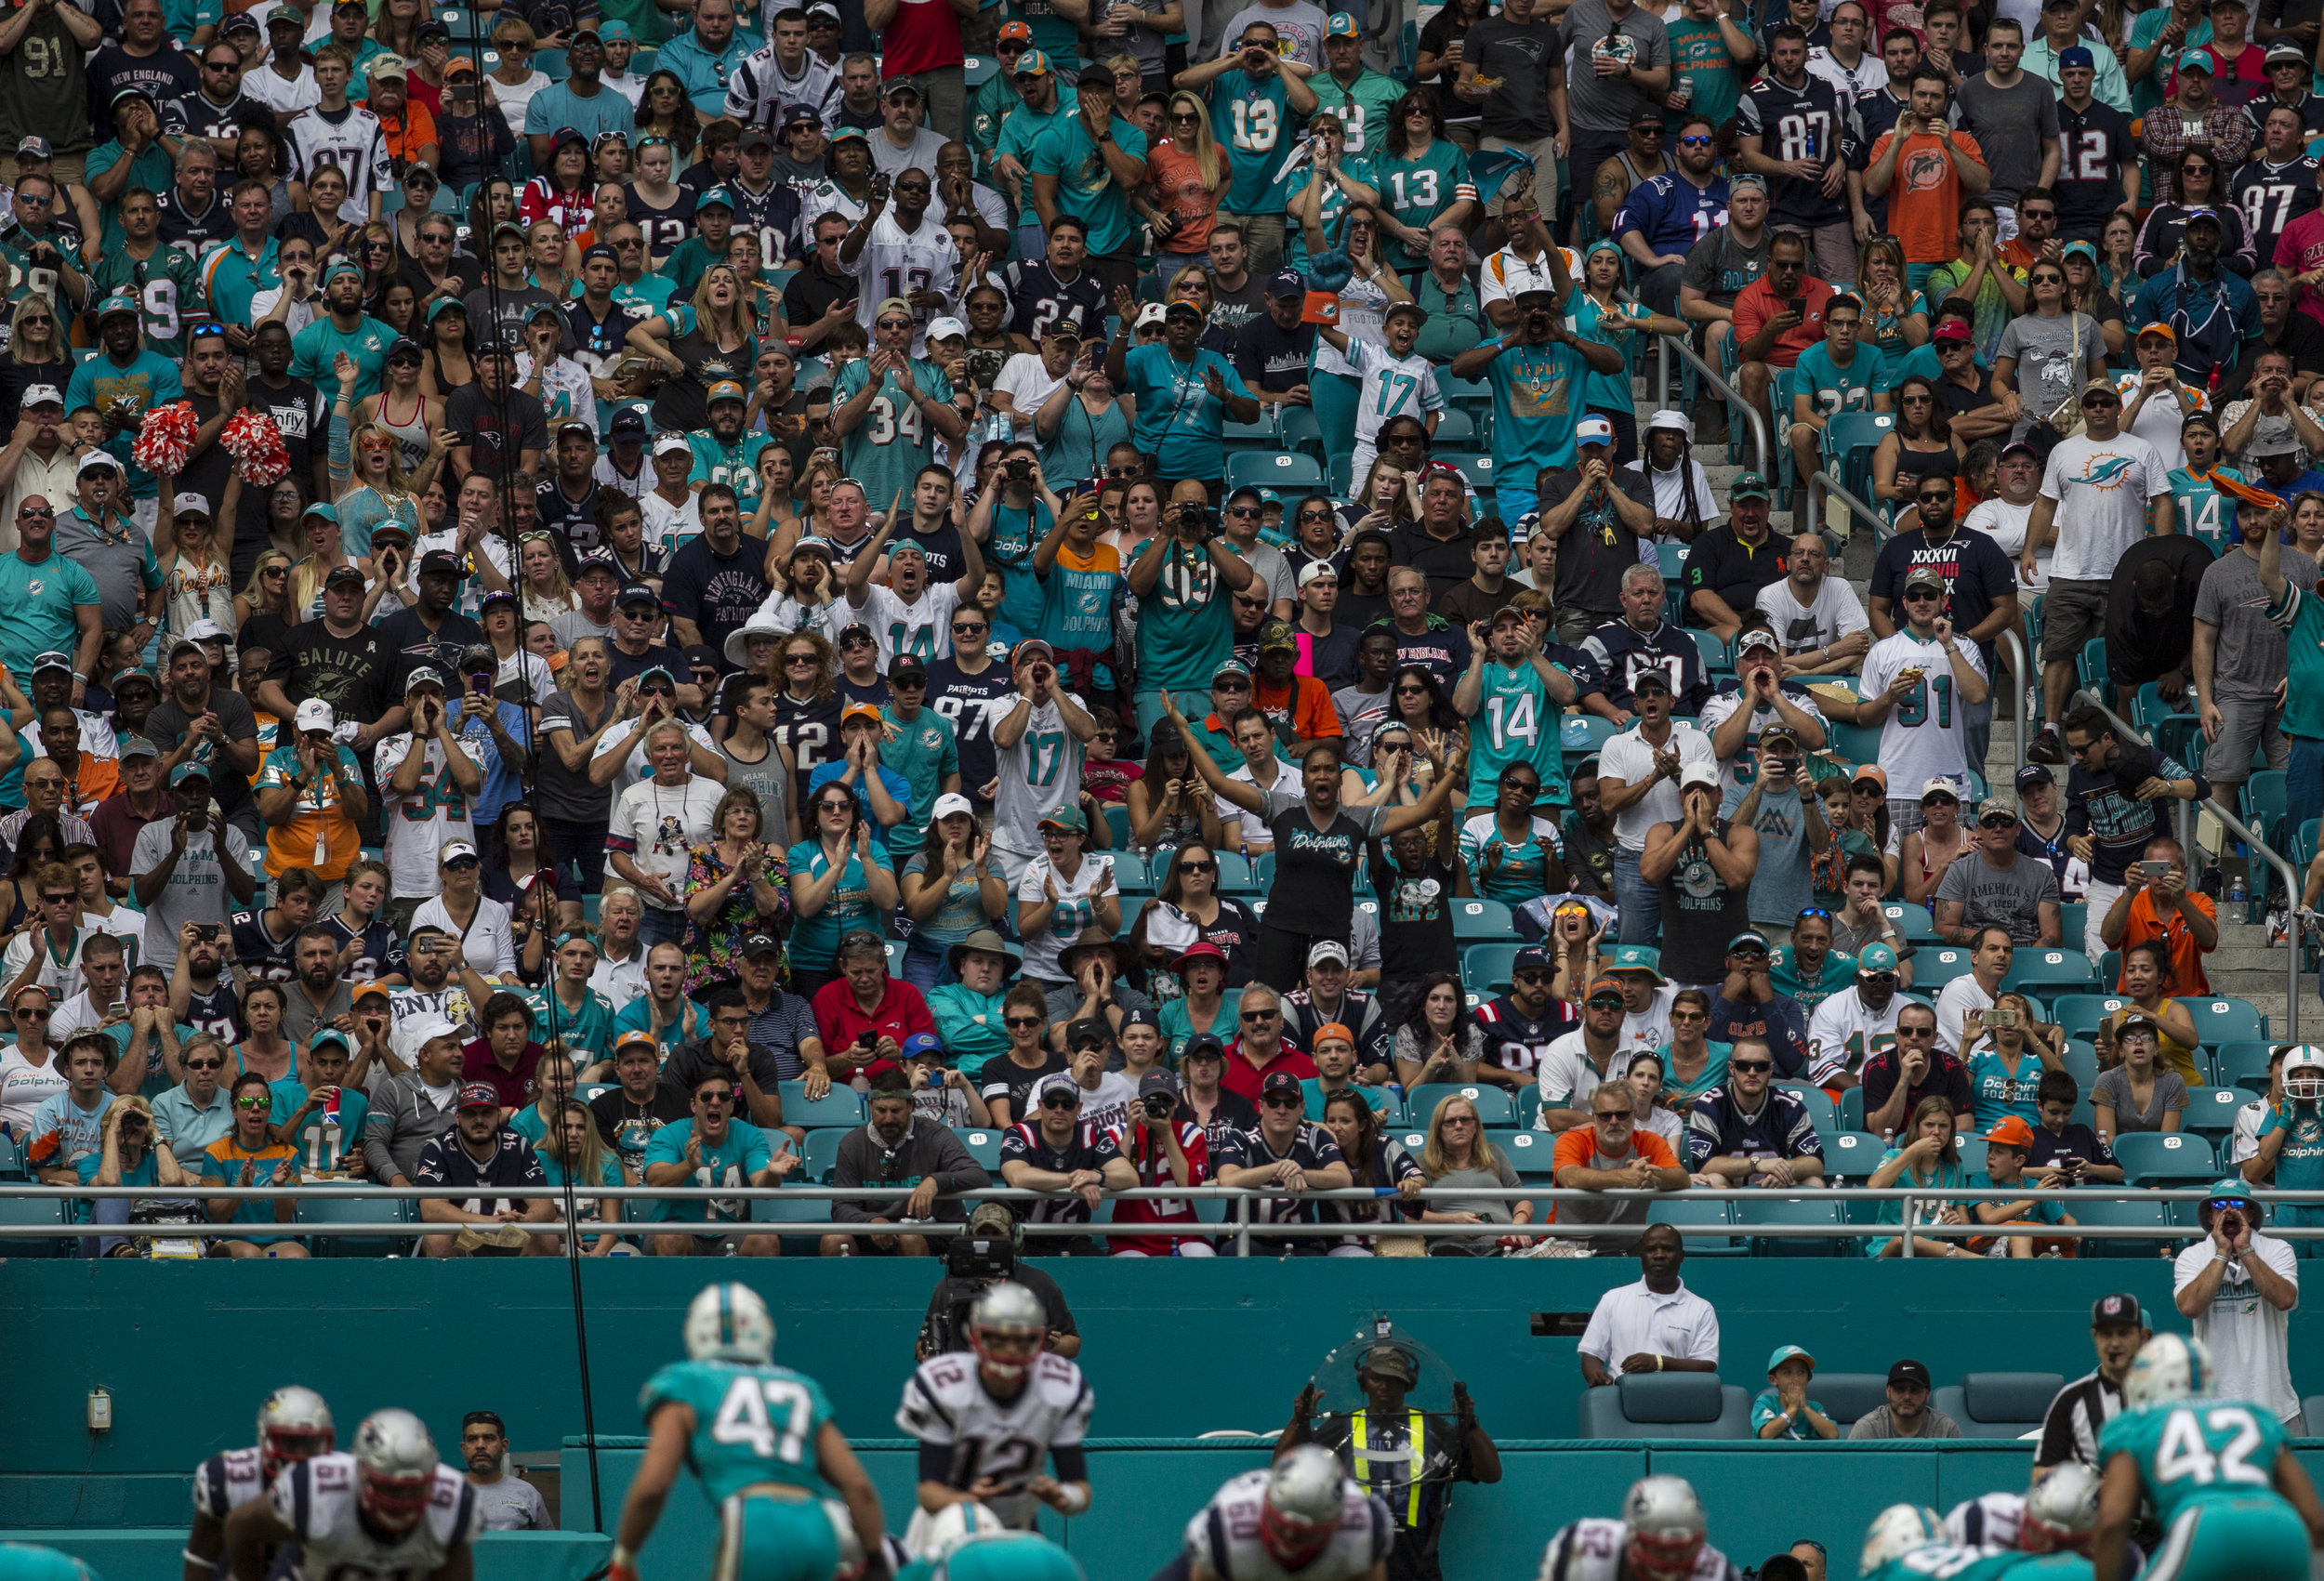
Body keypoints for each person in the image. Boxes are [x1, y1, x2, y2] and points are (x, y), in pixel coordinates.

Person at [612, 1283, 886, 1581]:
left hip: (754, 1522)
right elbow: (858, 1485)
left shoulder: (684, 1382)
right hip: (817, 1525)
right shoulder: (801, 1387)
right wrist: (876, 1560)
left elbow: (652, 1488)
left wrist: (624, 1558)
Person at [2092, 1331, 2324, 1581]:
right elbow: (2315, 1519)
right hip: (2282, 1526)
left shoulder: (2135, 1423)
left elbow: (2114, 1520)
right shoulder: (2255, 1415)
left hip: (2204, 1524)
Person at [1272, 1334, 1501, 1581]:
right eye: (1377, 1377)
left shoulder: (1436, 1429)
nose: (1384, 1385)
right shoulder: (1340, 1427)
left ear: (1408, 1383)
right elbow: (1281, 1471)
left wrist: (1470, 1425)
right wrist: (1298, 1420)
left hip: (1418, 1572)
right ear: (1363, 1381)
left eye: (1394, 1379)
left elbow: (1490, 1473)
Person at [897, 1279, 1095, 1528]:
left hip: (1019, 1523)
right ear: (975, 1337)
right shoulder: (945, 1386)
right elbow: (930, 1494)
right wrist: (968, 1499)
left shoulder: (1059, 1387)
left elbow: (1080, 1490)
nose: (1010, 1351)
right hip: (950, 1523)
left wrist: (1064, 1497)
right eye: (999, 1340)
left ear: (1038, 1342)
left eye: (1021, 1341)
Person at [218, 1410, 478, 1581]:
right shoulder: (313, 1490)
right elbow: (239, 1527)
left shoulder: (453, 1503)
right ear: (361, 1473)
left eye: (416, 1487)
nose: (403, 1500)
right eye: (391, 1488)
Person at [1577, 1222, 1721, 1385]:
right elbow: (1592, 1354)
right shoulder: (1613, 1299)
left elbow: (1707, 1365)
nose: (1659, 1255)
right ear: (1641, 1255)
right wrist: (1596, 1376)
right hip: (1622, 1401)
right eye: (1651, 1249)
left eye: (1668, 1249)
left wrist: (1658, 1362)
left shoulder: (1701, 1308)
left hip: (1679, 1400)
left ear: (1682, 1256)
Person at [2037, 1294, 2153, 1477]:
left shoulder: (2169, 1397)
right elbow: (2043, 1471)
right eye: (2107, 1334)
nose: (2115, 1343)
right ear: (2095, 1337)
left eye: (2124, 1333)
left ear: (2144, 1337)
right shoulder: (2071, 1399)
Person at [458, 1413, 548, 1531]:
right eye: (472, 1439)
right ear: (463, 1448)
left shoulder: (527, 1493)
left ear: (504, 1446)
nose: (480, 1445)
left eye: (489, 1438)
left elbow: (548, 1544)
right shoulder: (443, 1491)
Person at [1849, 1360, 1961, 1440]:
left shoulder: (1945, 1427)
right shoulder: (1869, 1427)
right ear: (1888, 1392)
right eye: (1899, 1389)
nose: (1907, 1397)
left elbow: (1959, 1470)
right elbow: (1851, 1470)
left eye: (1915, 1390)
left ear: (1927, 1395)